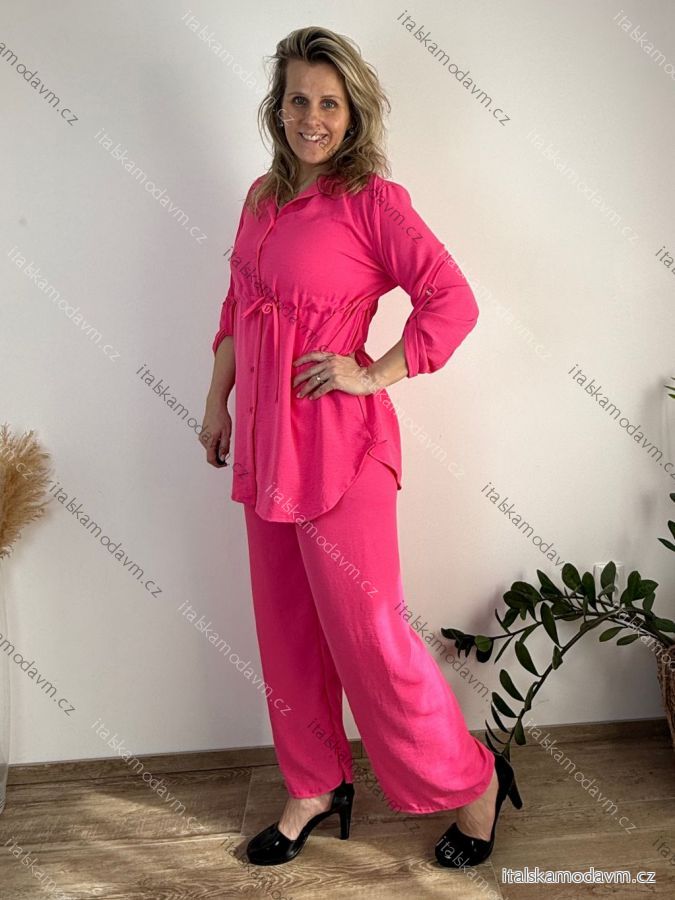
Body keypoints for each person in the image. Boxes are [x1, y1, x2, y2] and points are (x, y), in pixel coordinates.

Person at [200, 25, 523, 869]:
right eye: (297, 100)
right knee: (286, 631)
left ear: (352, 114)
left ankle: (473, 779)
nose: (311, 117)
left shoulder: (373, 203)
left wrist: (373, 372)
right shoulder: (260, 198)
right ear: (276, 108)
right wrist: (216, 402)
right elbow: (236, 305)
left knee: (371, 638)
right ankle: (313, 784)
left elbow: (451, 300)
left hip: (340, 451)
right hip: (265, 444)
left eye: (328, 103)